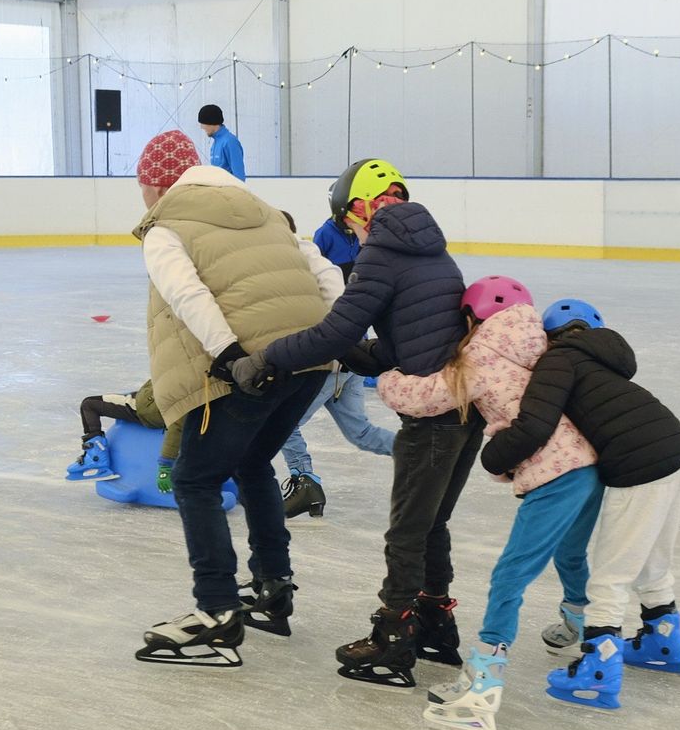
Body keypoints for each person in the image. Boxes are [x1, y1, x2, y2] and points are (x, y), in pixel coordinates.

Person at [229, 158, 475, 689]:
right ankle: (436, 622)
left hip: (431, 418)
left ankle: (394, 637)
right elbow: (398, 344)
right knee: (431, 524)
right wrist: (351, 358)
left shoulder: (384, 252)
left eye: (350, 221)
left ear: (363, 207)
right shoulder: (432, 248)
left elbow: (333, 332)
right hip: (463, 409)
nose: (353, 232)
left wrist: (271, 357)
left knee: (407, 531)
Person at [129, 129, 344, 668]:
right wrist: (343, 338)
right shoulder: (267, 212)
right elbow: (325, 270)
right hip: (310, 358)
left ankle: (217, 610)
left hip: (247, 367)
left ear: (155, 184)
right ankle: (273, 587)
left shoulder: (165, 226)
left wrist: (228, 355)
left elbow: (186, 292)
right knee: (252, 463)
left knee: (195, 479)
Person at [375, 278, 602, 730]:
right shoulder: (544, 345)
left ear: (472, 318)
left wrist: (386, 377)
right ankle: (585, 626)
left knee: (510, 576)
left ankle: (483, 686)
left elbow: (425, 398)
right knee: (570, 554)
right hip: (589, 464)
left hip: (553, 473)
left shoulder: (478, 356)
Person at [481, 298, 680, 712]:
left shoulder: (559, 360)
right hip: (673, 446)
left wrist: (494, 458)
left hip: (637, 462)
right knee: (652, 557)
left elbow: (535, 424)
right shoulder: (604, 360)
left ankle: (597, 672)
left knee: (612, 573)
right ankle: (663, 641)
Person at [276, 206, 396, 519]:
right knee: (362, 433)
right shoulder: (318, 263)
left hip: (327, 365)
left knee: (281, 424)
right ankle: (415, 450)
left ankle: (306, 481)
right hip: (350, 363)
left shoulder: (292, 270)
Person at [64, 379, 182, 486]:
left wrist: (165, 465)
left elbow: (177, 425)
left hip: (145, 407)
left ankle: (96, 458)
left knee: (89, 405)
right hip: (152, 399)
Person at [197, 104, 246, 181]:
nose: (202, 127)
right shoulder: (216, 143)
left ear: (212, 123)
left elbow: (239, 176)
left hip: (228, 191)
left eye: (203, 123)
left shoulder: (230, 142)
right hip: (218, 190)